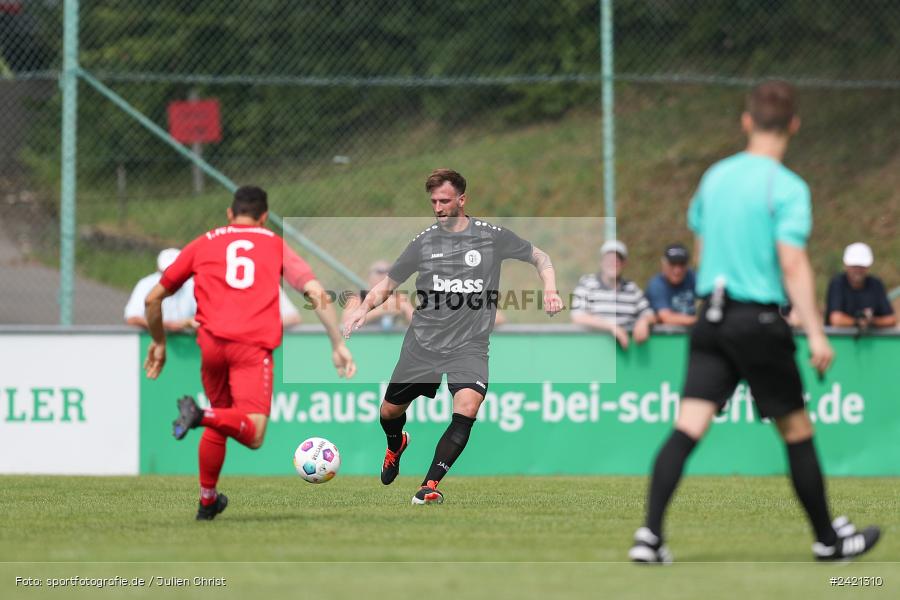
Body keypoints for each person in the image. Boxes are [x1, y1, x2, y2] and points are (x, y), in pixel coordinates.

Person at [628, 80, 880, 564]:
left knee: (686, 429)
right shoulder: (787, 187)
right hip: (758, 321)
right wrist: (817, 331)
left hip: (711, 318)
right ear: (794, 125)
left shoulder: (715, 177)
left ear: (746, 122)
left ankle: (649, 538)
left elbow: (700, 249)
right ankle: (829, 541)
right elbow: (791, 263)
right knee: (797, 432)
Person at [342, 168, 562, 505]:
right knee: (388, 412)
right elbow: (389, 283)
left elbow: (540, 256)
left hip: (470, 345)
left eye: (444, 201)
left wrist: (550, 289)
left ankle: (429, 484)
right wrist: (364, 308)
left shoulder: (491, 236)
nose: (438, 207)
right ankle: (395, 444)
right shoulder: (424, 241)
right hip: (424, 344)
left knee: (468, 406)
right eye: (433, 201)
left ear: (462, 200)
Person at [143, 186, 356, 520]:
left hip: (211, 345)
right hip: (251, 348)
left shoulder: (203, 242)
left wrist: (158, 342)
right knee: (252, 433)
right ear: (264, 217)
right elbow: (315, 292)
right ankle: (198, 415)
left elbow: (152, 299)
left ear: (230, 213)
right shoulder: (273, 243)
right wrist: (337, 343)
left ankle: (207, 501)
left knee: (223, 419)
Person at [570, 240, 655, 348]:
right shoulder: (587, 284)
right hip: (591, 352)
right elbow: (578, 317)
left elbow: (650, 314)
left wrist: (644, 321)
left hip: (626, 357)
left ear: (624, 263)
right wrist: (612, 327)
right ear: (601, 262)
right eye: (609, 259)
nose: (613, 263)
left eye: (617, 260)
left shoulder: (632, 288)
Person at [825, 243, 896, 330]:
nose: (858, 270)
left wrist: (872, 321)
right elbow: (836, 319)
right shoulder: (837, 284)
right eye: (854, 266)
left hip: (871, 342)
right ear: (846, 266)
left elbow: (891, 319)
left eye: (861, 266)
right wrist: (858, 321)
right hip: (841, 341)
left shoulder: (876, 284)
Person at [124, 248, 197, 331]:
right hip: (153, 338)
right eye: (165, 272)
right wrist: (167, 325)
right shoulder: (146, 284)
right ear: (158, 269)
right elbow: (132, 318)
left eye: (174, 272)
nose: (170, 277)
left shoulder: (193, 285)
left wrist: (190, 322)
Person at [342, 260, 416, 329]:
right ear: (369, 276)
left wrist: (404, 309)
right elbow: (346, 323)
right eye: (380, 272)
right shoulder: (358, 298)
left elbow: (416, 323)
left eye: (389, 271)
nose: (385, 275)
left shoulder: (398, 298)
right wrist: (380, 311)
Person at [646, 243, 697, 326]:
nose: (677, 270)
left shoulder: (691, 277)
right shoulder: (656, 285)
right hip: (664, 337)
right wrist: (700, 322)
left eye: (682, 264)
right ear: (663, 263)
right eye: (672, 264)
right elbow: (667, 318)